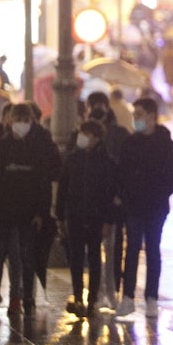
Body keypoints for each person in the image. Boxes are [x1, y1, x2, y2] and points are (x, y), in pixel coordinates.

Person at [0, 102, 60, 319]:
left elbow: (42, 183)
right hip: (3, 211)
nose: (21, 125)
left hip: (27, 213)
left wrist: (40, 213)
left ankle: (20, 297)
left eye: (26, 121)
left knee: (25, 256)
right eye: (18, 120)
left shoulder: (35, 150)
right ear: (9, 121)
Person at [116, 97, 173, 318]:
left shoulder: (166, 145)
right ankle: (128, 297)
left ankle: (151, 297)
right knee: (132, 249)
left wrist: (159, 192)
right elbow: (121, 174)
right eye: (134, 116)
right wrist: (124, 196)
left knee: (153, 249)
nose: (135, 120)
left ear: (152, 117)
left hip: (156, 206)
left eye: (139, 115)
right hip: (134, 206)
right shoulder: (129, 143)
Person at [58, 120, 117, 317]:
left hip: (96, 216)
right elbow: (63, 187)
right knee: (75, 257)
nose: (82, 138)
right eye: (81, 133)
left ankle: (92, 300)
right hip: (74, 214)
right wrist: (60, 215)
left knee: (93, 257)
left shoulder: (106, 162)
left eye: (87, 135)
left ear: (97, 138)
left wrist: (108, 220)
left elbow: (110, 193)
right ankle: (77, 296)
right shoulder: (72, 159)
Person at [84, 91, 129, 310]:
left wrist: (120, 194)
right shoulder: (83, 133)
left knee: (113, 247)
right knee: (94, 249)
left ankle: (111, 290)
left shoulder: (119, 134)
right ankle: (97, 292)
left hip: (111, 199)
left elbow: (122, 166)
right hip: (91, 201)